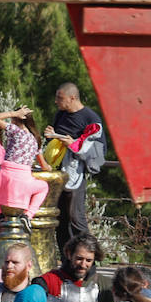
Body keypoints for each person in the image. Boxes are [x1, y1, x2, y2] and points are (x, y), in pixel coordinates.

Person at [43, 82, 104, 249]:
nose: (56, 102)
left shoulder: (91, 119)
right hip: (57, 173)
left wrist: (74, 145)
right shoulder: (60, 114)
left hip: (75, 174)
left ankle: (88, 257)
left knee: (75, 217)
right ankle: (66, 259)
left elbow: (98, 153)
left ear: (73, 98)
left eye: (59, 98)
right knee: (60, 218)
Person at [0, 103, 50, 216]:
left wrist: (14, 113)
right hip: (23, 183)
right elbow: (44, 166)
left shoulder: (15, 131)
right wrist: (49, 167)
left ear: (15, 120)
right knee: (43, 187)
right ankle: (28, 215)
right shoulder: (36, 140)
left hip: (4, 179)